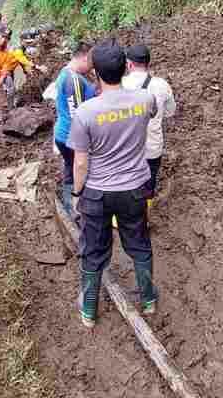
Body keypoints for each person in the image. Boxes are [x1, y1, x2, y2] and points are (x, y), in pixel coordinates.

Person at [68, 42, 158, 327]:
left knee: (94, 249)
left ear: (95, 74)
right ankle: (148, 299)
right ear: (125, 68)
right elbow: (152, 116)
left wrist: (76, 193)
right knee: (139, 243)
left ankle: (89, 309)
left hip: (97, 192)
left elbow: (80, 163)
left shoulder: (86, 112)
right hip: (134, 188)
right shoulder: (145, 99)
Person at [121, 44, 176, 201]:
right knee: (148, 186)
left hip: (126, 148)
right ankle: (145, 216)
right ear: (148, 64)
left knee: (125, 185)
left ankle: (119, 220)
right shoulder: (161, 85)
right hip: (152, 147)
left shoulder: (120, 84)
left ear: (129, 64)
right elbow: (170, 111)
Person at [53, 42, 96, 217]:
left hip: (63, 134)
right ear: (84, 57)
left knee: (70, 167)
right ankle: (77, 208)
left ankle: (69, 204)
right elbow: (77, 115)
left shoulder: (66, 73)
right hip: (71, 136)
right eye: (91, 62)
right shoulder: (74, 81)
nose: (92, 66)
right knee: (80, 169)